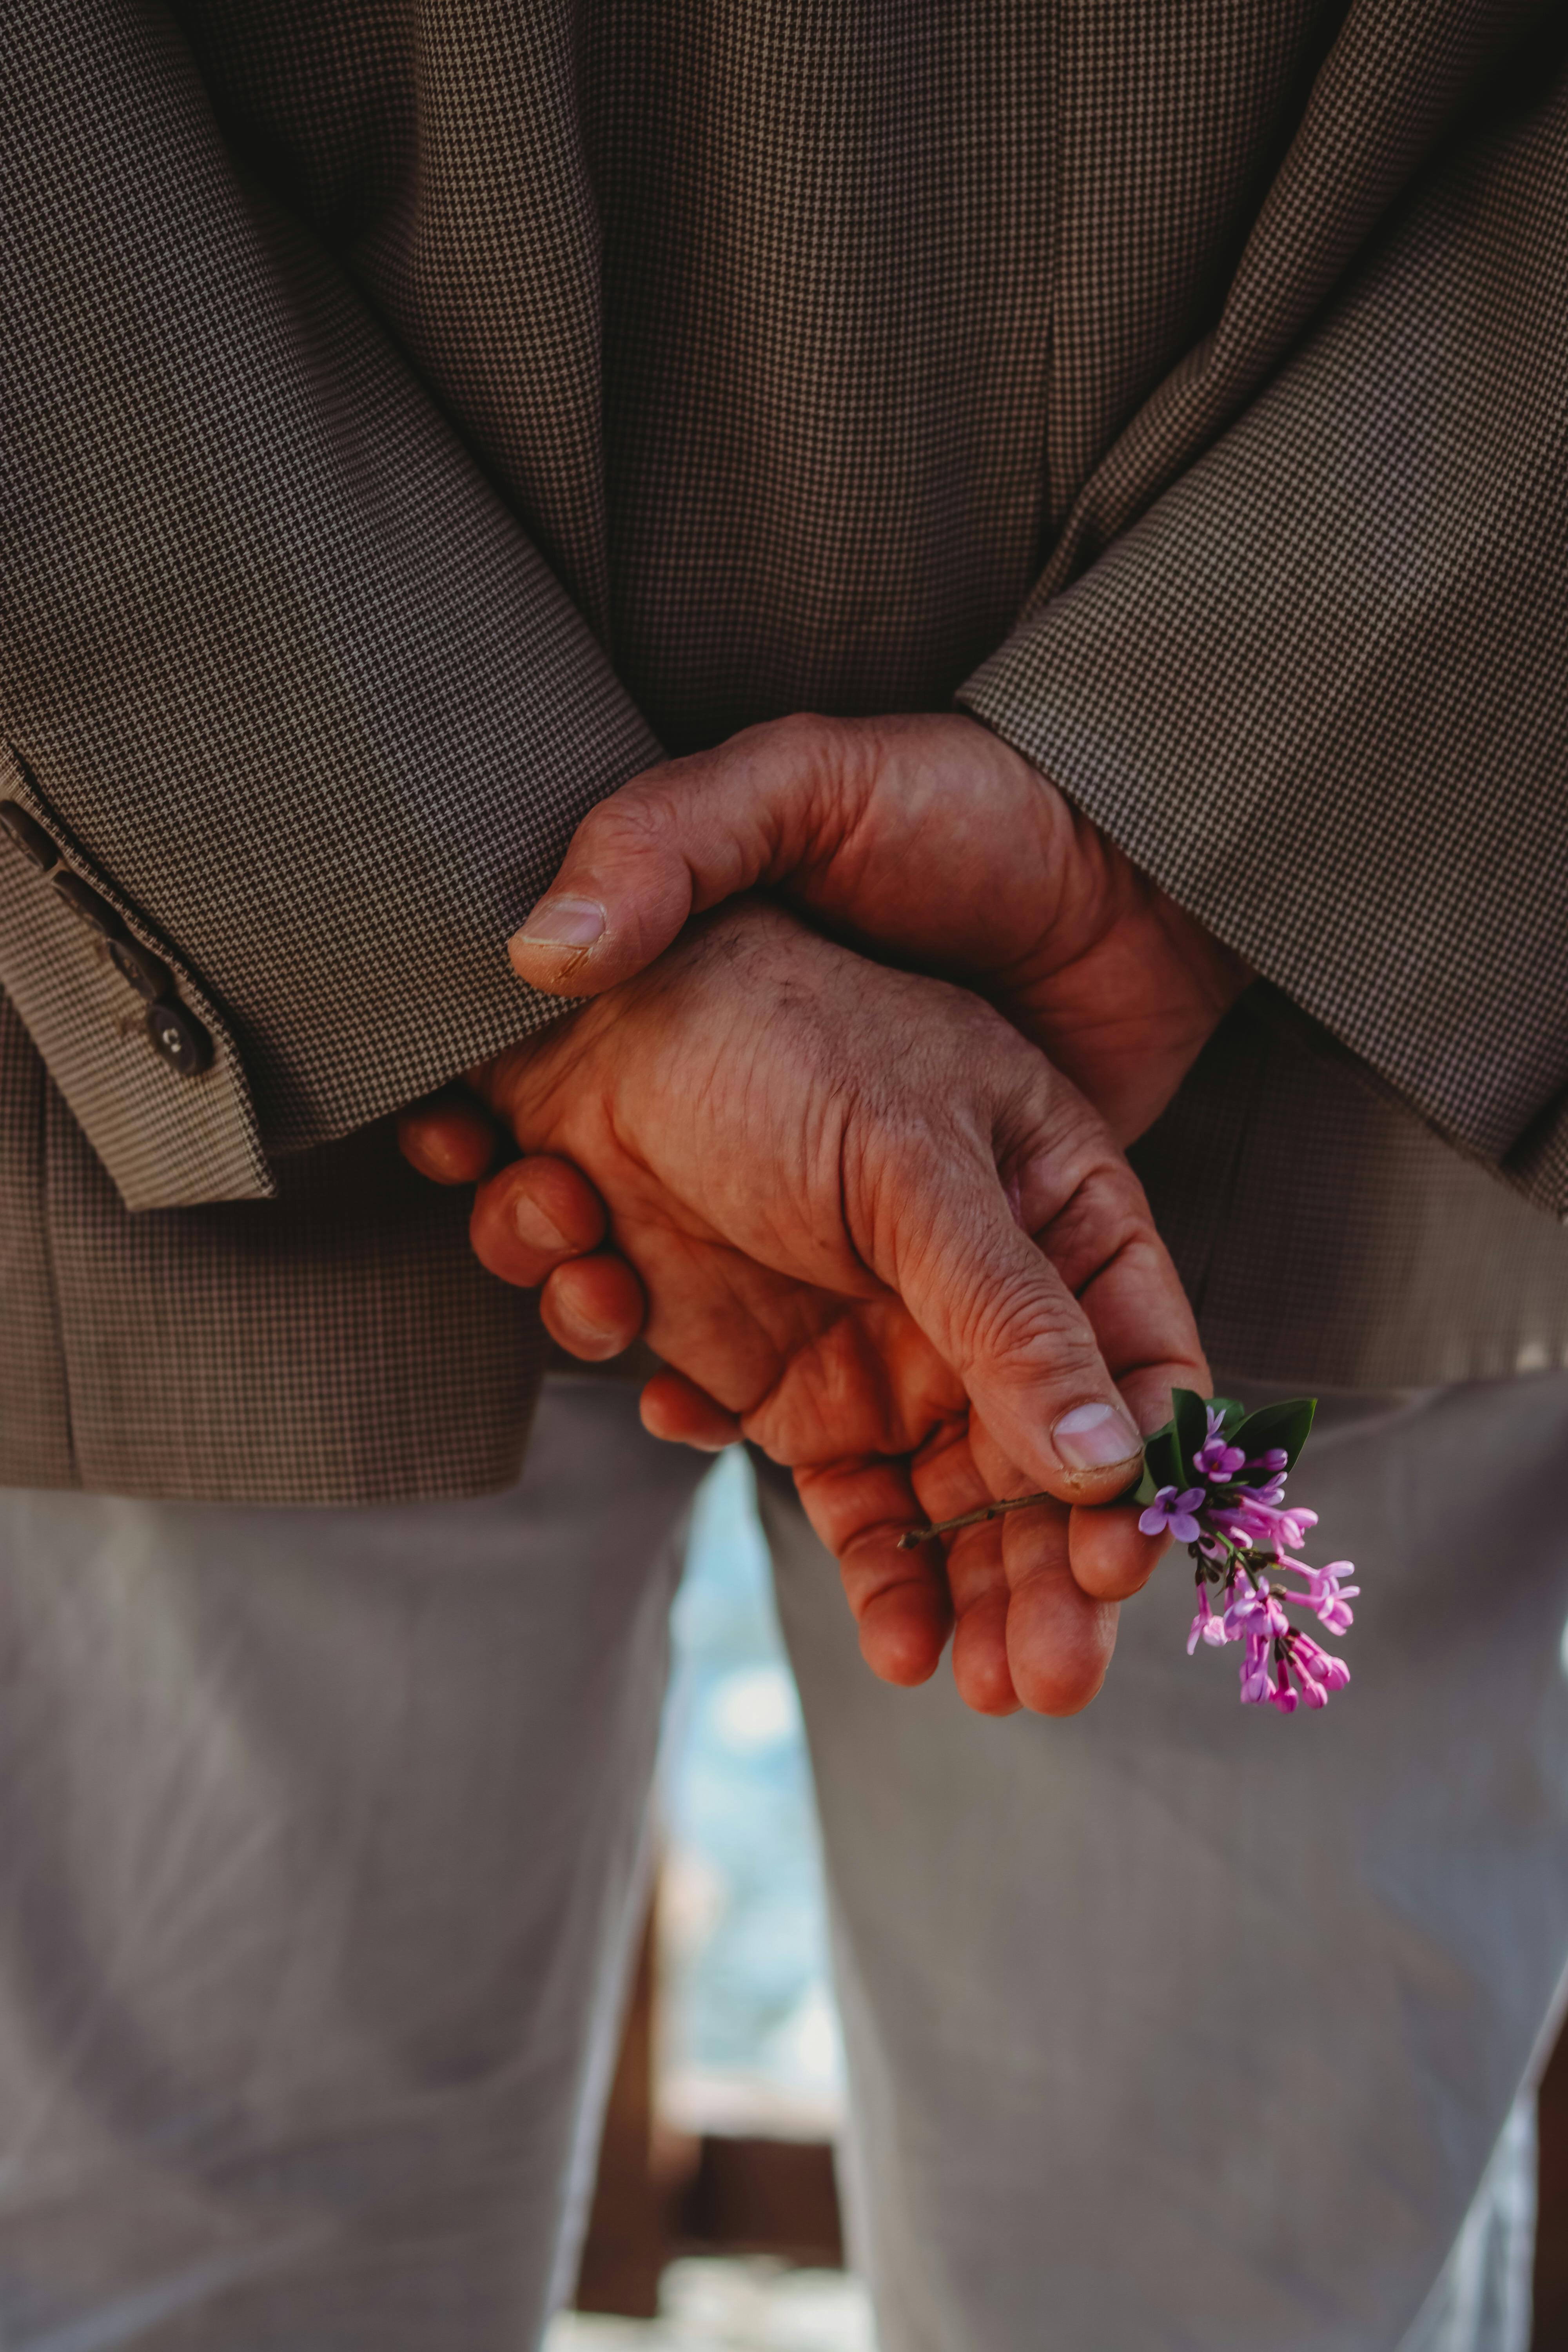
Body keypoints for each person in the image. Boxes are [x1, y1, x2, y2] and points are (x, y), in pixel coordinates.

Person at [4, 3, 1568, 2347]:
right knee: (196, 2260)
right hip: (211, 974)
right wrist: (487, 923)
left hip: (1323, 978)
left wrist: (1203, 806)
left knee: (1239, 2281)